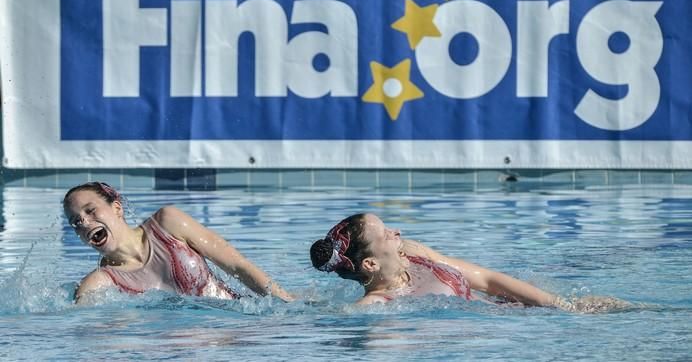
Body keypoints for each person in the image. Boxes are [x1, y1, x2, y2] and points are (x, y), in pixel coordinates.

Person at [310, 213, 626, 312]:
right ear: (370, 265)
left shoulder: (415, 253)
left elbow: (487, 280)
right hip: (494, 334)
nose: (398, 232)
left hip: (512, 309)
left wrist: (558, 304)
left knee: (607, 306)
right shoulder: (376, 304)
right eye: (387, 234)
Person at [63, 182, 293, 304]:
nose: (83, 221)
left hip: (238, 327)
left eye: (91, 211)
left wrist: (287, 304)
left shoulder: (167, 223)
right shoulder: (100, 280)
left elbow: (237, 266)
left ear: (117, 207)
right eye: (75, 221)